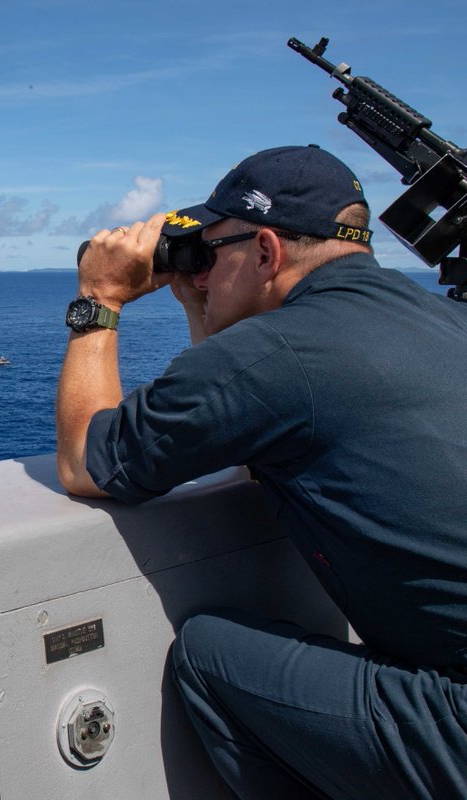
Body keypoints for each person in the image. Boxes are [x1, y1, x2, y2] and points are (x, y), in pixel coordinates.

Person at [55, 144, 467, 799]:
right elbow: (244, 417)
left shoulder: (278, 353)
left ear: (268, 250)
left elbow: (86, 461)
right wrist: (205, 303)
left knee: (207, 656)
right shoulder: (444, 319)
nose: (204, 272)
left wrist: (98, 300)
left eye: (213, 255)